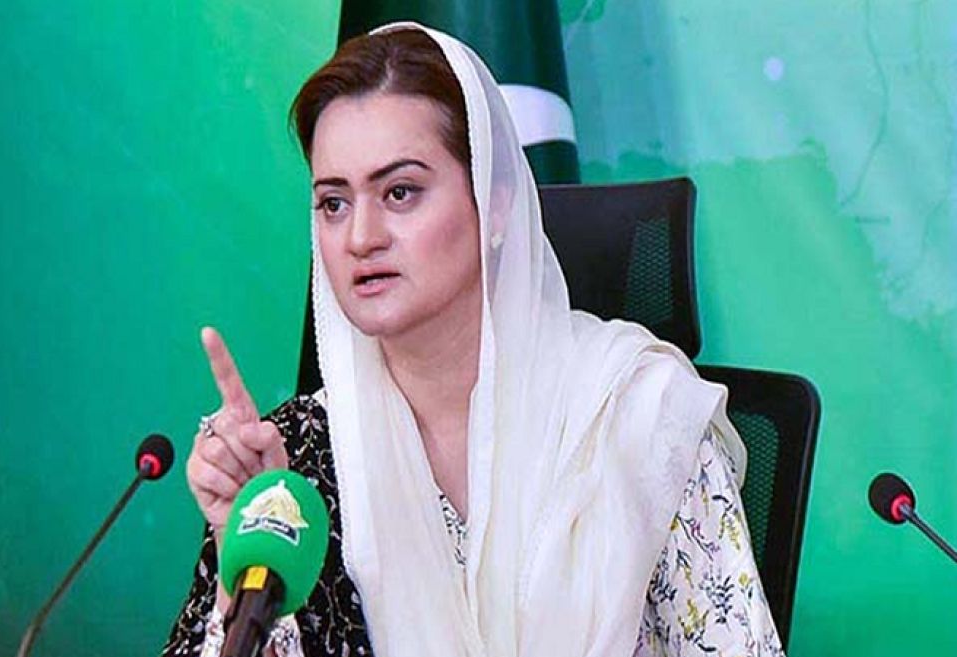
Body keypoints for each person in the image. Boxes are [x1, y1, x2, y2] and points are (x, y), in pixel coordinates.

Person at [161, 21, 784, 657]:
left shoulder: (639, 414)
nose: (360, 238)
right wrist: (246, 559)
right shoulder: (298, 458)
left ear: (495, 202)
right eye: (334, 203)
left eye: (400, 192)